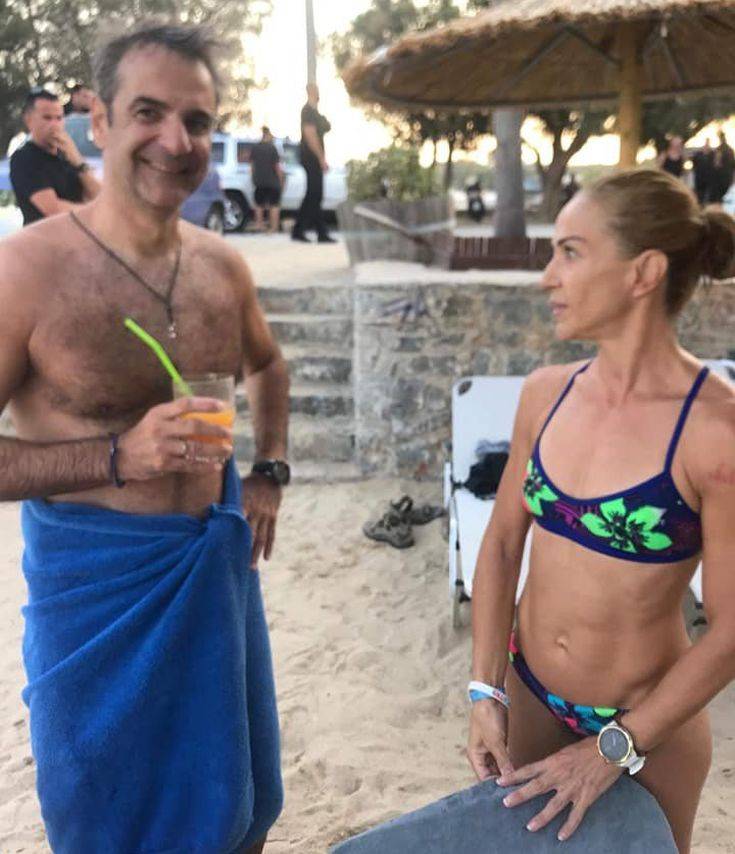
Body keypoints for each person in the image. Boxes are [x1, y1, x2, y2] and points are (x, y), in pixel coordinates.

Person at [0, 22, 289, 854]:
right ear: (99, 121)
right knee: (107, 819)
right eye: (149, 113)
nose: (176, 141)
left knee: (235, 807)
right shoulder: (27, 272)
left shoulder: (220, 267)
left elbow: (268, 366)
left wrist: (267, 471)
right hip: (96, 596)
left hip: (212, 574)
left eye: (196, 121)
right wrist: (117, 455)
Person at [466, 168, 735, 853]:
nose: (547, 278)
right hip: (531, 695)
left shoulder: (715, 432)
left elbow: (732, 626)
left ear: (643, 272)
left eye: (570, 252)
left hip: (651, 727)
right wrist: (484, 690)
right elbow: (501, 544)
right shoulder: (545, 393)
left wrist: (615, 746)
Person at [9, 87, 101, 225]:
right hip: (46, 237)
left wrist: (78, 161)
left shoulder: (67, 155)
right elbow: (54, 210)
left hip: (79, 234)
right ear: (29, 120)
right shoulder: (24, 158)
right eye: (47, 118)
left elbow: (98, 196)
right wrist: (98, 213)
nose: (55, 125)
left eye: (59, 118)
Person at [291, 82, 335, 243]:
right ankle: (315, 232)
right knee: (314, 194)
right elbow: (310, 135)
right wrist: (321, 158)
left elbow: (326, 127)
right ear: (311, 91)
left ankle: (308, 231)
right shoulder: (307, 111)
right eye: (316, 90)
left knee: (314, 195)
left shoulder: (315, 112)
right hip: (311, 157)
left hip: (314, 158)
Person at [250, 125, 284, 233]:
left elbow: (252, 165)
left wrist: (253, 178)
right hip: (272, 181)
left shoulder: (255, 148)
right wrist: (281, 179)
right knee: (274, 204)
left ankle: (259, 225)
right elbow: (277, 166)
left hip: (259, 181)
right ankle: (273, 228)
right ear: (268, 134)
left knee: (258, 204)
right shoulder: (272, 148)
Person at [709, 131, 734, 205]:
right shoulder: (730, 149)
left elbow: (716, 164)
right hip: (728, 175)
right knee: (727, 195)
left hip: (720, 176)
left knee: (720, 195)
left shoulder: (719, 150)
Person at [691, 139, 714, 206]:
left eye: (708, 144)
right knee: (699, 195)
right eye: (706, 144)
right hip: (699, 178)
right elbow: (694, 164)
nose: (707, 145)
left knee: (707, 196)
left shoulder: (712, 154)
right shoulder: (698, 154)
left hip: (709, 179)